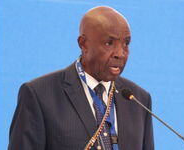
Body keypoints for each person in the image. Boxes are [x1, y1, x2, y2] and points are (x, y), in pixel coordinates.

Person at [8, 6, 154, 150]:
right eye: (109, 43)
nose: (120, 53)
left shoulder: (138, 99)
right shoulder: (39, 95)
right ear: (83, 44)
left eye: (126, 44)